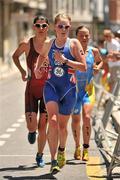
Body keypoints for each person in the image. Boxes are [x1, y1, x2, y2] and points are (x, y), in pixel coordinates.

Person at [35, 13, 87, 173]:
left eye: (66, 26)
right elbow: (42, 56)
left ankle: (62, 150)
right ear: (55, 27)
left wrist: (65, 60)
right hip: (51, 86)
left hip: (69, 90)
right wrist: (38, 69)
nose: (63, 29)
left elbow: (83, 67)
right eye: (60, 26)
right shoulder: (49, 43)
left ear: (69, 28)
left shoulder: (74, 44)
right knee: (53, 121)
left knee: (63, 127)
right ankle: (53, 160)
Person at [12, 15, 49, 167]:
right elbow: (15, 56)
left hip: (48, 91)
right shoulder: (26, 44)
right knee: (32, 126)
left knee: (43, 126)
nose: (41, 29)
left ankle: (40, 155)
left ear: (48, 27)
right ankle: (31, 131)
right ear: (34, 27)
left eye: (44, 25)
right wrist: (22, 71)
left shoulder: (52, 44)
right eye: (38, 25)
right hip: (31, 89)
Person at [71, 25, 103, 161]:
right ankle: (77, 146)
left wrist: (97, 67)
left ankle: (86, 148)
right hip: (74, 91)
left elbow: (100, 61)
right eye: (81, 35)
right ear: (76, 37)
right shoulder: (72, 52)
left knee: (87, 117)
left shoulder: (94, 51)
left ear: (89, 36)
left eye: (86, 35)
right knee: (76, 119)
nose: (84, 38)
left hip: (88, 90)